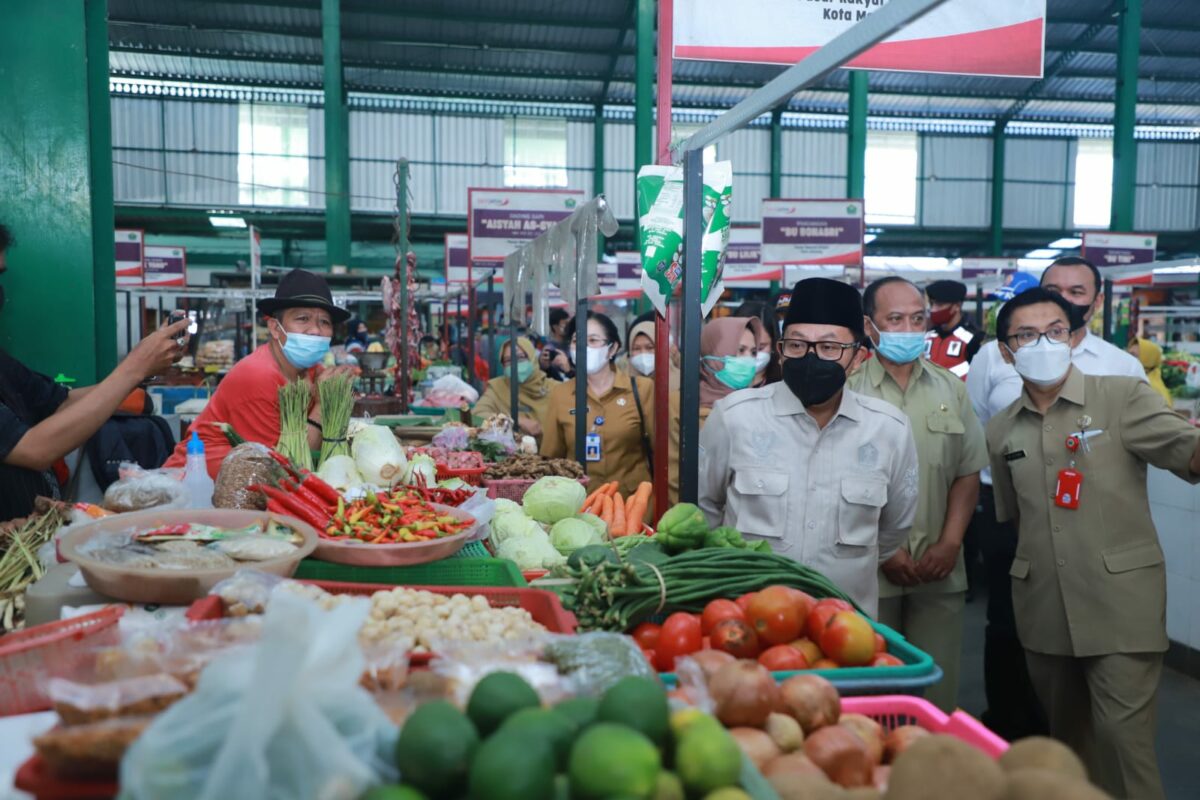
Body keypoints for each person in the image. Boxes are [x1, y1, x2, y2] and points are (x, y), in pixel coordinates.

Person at [987, 287, 1200, 800]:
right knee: (1070, 749)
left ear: (1073, 336)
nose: (1043, 342)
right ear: (1006, 350)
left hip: (1120, 605)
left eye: (1055, 331)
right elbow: (1017, 519)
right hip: (1044, 607)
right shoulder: (1000, 429)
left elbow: (1188, 454)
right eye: (1026, 334)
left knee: (1126, 750)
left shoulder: (1120, 397)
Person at [698, 278, 920, 615]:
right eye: (797, 345)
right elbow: (705, 508)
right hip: (748, 623)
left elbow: (892, 529)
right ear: (781, 351)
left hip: (847, 628)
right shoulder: (734, 418)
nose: (811, 357)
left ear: (858, 357)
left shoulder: (889, 430)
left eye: (830, 347)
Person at [848, 277, 987, 712]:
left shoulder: (951, 389)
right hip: (868, 569)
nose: (908, 329)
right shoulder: (846, 391)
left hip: (938, 568)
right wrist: (885, 549)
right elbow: (837, 482)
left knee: (935, 688)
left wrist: (950, 543)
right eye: (895, 320)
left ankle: (933, 771)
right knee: (871, 686)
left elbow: (966, 472)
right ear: (870, 327)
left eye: (916, 319)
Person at [0, 224, 191, 521]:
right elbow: (34, 449)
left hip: (32, 534)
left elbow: (61, 402)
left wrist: (143, 371)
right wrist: (134, 367)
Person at [963, 272, 1050, 741]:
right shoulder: (990, 359)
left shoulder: (1112, 369)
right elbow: (977, 424)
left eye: (1053, 329)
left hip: (1067, 504)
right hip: (1002, 496)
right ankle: (1006, 721)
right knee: (1007, 615)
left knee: (1059, 613)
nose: (1041, 340)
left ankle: (1055, 722)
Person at [163, 269, 355, 478]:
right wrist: (321, 406)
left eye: (324, 322)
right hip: (196, 486)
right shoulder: (257, 376)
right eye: (303, 318)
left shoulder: (311, 370)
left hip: (245, 485)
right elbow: (282, 469)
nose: (315, 330)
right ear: (274, 327)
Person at [541, 311, 653, 497]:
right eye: (577, 341)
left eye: (592, 340)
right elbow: (551, 458)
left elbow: (660, 452)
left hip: (632, 504)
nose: (584, 348)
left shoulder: (641, 389)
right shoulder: (560, 395)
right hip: (580, 505)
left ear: (612, 348)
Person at [1040, 256, 1144, 380]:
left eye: (1076, 292)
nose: (1063, 300)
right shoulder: (1012, 360)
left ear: (1098, 301)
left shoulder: (1124, 368)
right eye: (1053, 291)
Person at [473, 337, 550, 439]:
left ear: (532, 358)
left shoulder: (554, 388)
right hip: (513, 453)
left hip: (551, 453)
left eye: (521, 358)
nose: (515, 365)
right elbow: (476, 415)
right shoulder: (498, 387)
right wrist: (515, 420)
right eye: (508, 360)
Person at [699, 317, 764, 423]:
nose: (748, 359)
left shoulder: (759, 407)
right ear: (714, 351)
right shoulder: (680, 406)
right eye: (741, 350)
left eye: (753, 352)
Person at [924, 279, 984, 379]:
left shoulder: (974, 339)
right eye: (932, 304)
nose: (933, 309)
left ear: (956, 306)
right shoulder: (927, 336)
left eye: (939, 304)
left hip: (962, 393)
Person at [733, 300, 781, 385]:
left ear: (773, 345)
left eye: (759, 348)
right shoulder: (715, 385)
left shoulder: (783, 386)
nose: (749, 356)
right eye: (741, 349)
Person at [1128, 336, 1173, 407]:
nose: (1128, 359)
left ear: (1147, 361)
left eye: (1133, 355)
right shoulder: (1139, 381)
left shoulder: (1150, 388)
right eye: (1128, 354)